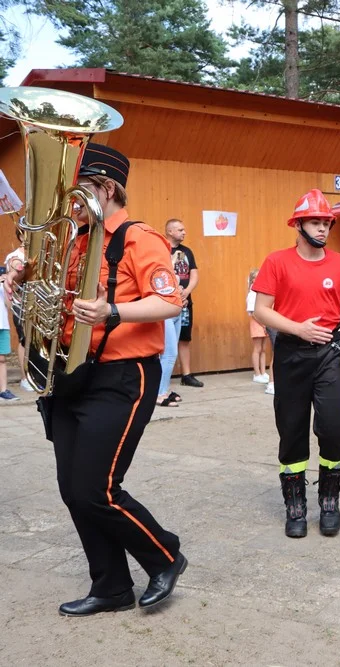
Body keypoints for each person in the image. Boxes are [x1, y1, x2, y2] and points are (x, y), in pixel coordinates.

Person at [31, 144, 187, 615]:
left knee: (96, 488)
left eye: (79, 191)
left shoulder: (140, 239)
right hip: (71, 375)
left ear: (107, 188)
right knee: (72, 490)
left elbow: (171, 302)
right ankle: (112, 587)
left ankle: (165, 555)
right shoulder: (75, 237)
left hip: (122, 375)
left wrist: (112, 310)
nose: (70, 202)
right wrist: (25, 284)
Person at [251, 189, 340, 539]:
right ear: (298, 224)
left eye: (326, 223)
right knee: (292, 430)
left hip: (329, 355)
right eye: (315, 222)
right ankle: (295, 505)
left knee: (332, 429)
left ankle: (329, 499)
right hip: (291, 355)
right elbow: (260, 310)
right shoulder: (276, 262)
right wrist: (298, 328)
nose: (322, 229)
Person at [163, 219, 202, 388]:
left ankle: (186, 375)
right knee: (165, 342)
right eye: (180, 229)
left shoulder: (187, 252)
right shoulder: (161, 249)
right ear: (170, 231)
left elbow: (194, 275)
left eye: (184, 229)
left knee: (184, 338)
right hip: (167, 303)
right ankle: (163, 379)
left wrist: (186, 291)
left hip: (185, 303)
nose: (184, 232)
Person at [155, 245, 185, 408]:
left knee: (169, 354)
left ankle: (164, 388)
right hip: (165, 312)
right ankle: (159, 393)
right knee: (169, 353)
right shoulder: (159, 268)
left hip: (176, 311)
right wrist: (171, 262)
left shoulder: (169, 266)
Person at [4, 227, 28, 390]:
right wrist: (21, 267)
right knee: (24, 340)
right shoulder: (15, 256)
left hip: (40, 303)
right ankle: (25, 377)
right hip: (22, 303)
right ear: (20, 235)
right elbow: (15, 271)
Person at [246, 269, 270, 385]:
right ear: (252, 280)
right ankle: (257, 374)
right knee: (257, 349)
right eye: (257, 277)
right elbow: (254, 313)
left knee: (263, 349)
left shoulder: (260, 293)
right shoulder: (252, 294)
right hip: (257, 323)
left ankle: (263, 371)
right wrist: (263, 324)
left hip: (264, 323)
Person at [0, 267, 17, 402]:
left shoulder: (3, 287)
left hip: (3, 325)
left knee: (2, 359)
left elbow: (9, 305)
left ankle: (3, 390)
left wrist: (6, 287)